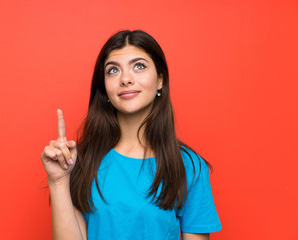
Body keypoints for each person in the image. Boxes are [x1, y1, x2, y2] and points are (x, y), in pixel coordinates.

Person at [41, 30, 221, 240]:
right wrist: (59, 181)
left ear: (160, 80)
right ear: (105, 88)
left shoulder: (189, 165)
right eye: (113, 71)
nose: (125, 79)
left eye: (139, 66)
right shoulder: (79, 161)